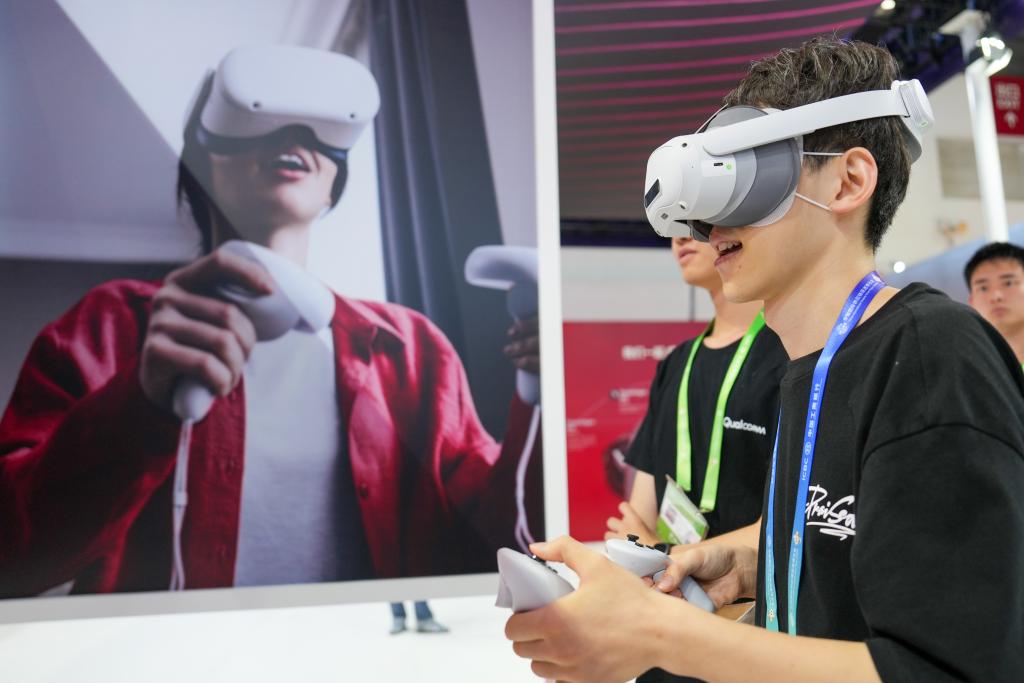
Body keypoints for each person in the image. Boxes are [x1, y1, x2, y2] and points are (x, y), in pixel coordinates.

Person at [505, 37, 1024, 682]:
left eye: (750, 174)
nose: (706, 223)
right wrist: (751, 560)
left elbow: (955, 669)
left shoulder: (929, 354)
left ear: (849, 181)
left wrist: (660, 634)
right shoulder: (810, 367)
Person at [0, 46, 539, 596]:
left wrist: (540, 393)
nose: (293, 136)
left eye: (315, 130)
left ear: (335, 179)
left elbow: (503, 549)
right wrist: (139, 404)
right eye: (264, 121)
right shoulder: (107, 328)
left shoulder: (413, 350)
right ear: (205, 156)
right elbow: (11, 558)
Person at [605, 235, 786, 683]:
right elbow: (634, 519)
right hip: (667, 623)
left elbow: (788, 525)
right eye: (672, 224)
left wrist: (665, 555)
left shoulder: (789, 354)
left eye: (698, 220)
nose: (680, 236)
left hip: (751, 629)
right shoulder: (676, 364)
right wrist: (661, 556)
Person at [966, 241, 1024, 365]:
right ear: (971, 302)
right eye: (983, 288)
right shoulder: (972, 369)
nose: (995, 296)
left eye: (1008, 283)